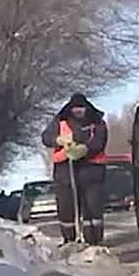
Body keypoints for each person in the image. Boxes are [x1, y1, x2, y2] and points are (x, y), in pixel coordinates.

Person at [40, 93, 109, 244]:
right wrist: (58, 140)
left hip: (91, 171)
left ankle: (94, 240)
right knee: (66, 208)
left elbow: (100, 141)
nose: (78, 111)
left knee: (93, 208)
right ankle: (69, 240)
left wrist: (85, 149)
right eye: (75, 108)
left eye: (81, 108)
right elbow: (46, 137)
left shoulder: (97, 122)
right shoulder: (60, 121)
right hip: (65, 171)